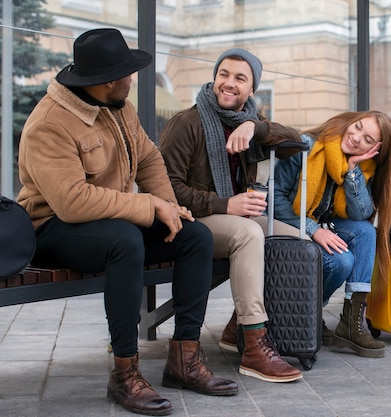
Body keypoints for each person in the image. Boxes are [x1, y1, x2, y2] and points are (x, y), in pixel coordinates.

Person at [16, 28, 238, 417]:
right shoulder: (50, 123)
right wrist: (149, 206)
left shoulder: (118, 107)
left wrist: (169, 208)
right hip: (52, 228)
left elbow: (150, 159)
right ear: (104, 82)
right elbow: (71, 203)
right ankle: (125, 372)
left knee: (195, 237)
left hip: (111, 217)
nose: (132, 79)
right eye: (126, 73)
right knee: (124, 241)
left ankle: (184, 359)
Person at [159, 48, 303, 383]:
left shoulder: (248, 121)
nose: (228, 83)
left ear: (252, 90)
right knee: (248, 234)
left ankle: (239, 326)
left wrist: (255, 126)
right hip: (191, 219)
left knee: (298, 240)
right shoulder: (187, 123)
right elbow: (166, 189)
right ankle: (255, 344)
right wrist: (227, 204)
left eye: (240, 78)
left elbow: (296, 139)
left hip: (233, 214)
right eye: (223, 74)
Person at [273, 110, 391, 358]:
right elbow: (273, 197)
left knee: (364, 231)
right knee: (342, 260)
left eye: (368, 139)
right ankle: (311, 313)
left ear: (376, 149)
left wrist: (352, 171)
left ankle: (351, 325)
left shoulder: (364, 167)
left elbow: (360, 213)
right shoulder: (308, 147)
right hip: (288, 225)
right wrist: (313, 229)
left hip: (322, 229)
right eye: (358, 127)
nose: (356, 137)